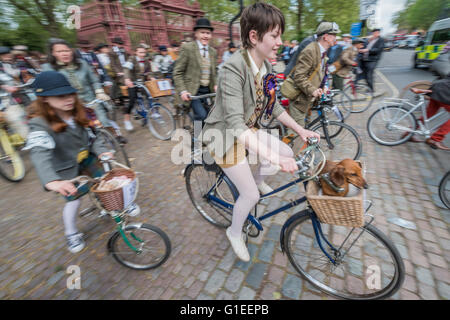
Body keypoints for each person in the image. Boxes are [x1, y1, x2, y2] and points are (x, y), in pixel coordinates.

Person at [202, 3, 320, 262]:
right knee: (252, 194)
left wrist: (301, 129)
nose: (280, 42)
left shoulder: (265, 67)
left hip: (246, 129)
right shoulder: (233, 68)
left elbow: (274, 106)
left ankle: (255, 178)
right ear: (254, 37)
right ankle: (234, 232)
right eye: (274, 35)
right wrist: (275, 160)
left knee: (286, 150)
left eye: (280, 35)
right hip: (223, 136)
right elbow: (234, 124)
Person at [24, 71, 113, 253]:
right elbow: (39, 153)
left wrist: (102, 151)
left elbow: (93, 136)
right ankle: (71, 233)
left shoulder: (80, 112)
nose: (68, 99)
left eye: (70, 93)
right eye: (60, 95)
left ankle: (112, 206)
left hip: (86, 158)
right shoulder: (39, 124)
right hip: (66, 169)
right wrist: (51, 180)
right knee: (73, 201)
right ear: (44, 99)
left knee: (105, 181)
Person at [41, 39, 127, 144]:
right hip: (68, 103)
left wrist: (99, 91)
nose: (64, 54)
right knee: (81, 128)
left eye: (66, 50)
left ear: (71, 51)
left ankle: (115, 135)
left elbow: (94, 80)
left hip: (90, 98)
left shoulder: (81, 63)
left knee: (102, 118)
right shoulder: (48, 68)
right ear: (53, 53)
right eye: (59, 51)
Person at [287, 21, 340, 136]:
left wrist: (324, 86)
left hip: (308, 100)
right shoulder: (310, 50)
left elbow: (318, 73)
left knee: (305, 129)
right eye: (334, 35)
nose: (336, 38)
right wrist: (313, 90)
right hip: (299, 100)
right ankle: (286, 152)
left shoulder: (322, 52)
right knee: (295, 135)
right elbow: (299, 76)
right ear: (325, 37)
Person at [173, 17, 218, 123]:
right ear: (196, 34)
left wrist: (216, 84)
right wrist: (183, 91)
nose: (206, 36)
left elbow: (214, 72)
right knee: (201, 116)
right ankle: (197, 138)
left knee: (212, 114)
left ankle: (203, 134)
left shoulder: (213, 52)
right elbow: (177, 72)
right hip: (192, 91)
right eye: (202, 32)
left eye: (208, 33)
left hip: (208, 90)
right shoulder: (187, 48)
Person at [407, 73, 450, 151]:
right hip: (446, 92)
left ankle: (408, 133)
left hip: (438, 87)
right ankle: (436, 139)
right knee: (428, 114)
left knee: (427, 114)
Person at [122, 45, 157, 131]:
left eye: (144, 52)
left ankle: (153, 111)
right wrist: (127, 79)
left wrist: (152, 77)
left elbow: (149, 71)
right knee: (132, 99)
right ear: (136, 52)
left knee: (151, 95)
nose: (143, 54)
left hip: (143, 82)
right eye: (140, 52)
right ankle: (126, 120)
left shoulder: (146, 61)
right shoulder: (132, 59)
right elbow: (126, 69)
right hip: (132, 83)